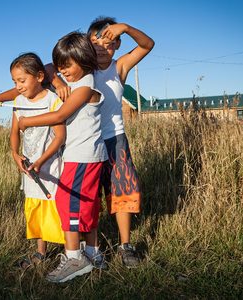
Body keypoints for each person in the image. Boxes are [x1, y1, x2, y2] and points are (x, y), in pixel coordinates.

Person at [18, 32, 108, 283]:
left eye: (67, 65)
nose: (62, 70)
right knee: (86, 204)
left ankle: (74, 258)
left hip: (82, 156)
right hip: (86, 155)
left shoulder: (86, 87)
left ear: (84, 59)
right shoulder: (77, 81)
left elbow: (59, 116)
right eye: (61, 66)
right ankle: (93, 254)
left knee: (67, 203)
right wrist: (57, 80)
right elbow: (47, 67)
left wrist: (27, 121)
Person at [86, 16, 154, 267]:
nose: (104, 48)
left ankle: (125, 246)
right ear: (87, 45)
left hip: (115, 139)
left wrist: (124, 26)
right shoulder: (82, 69)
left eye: (110, 42)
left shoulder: (120, 67)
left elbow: (148, 45)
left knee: (122, 190)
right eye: (97, 43)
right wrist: (59, 81)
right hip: (87, 141)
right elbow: (52, 67)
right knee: (90, 194)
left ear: (117, 44)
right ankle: (90, 247)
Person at [5, 52, 66, 269]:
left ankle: (69, 252)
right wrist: (15, 153)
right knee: (36, 208)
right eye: (14, 82)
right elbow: (14, 132)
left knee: (55, 209)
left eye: (22, 80)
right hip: (29, 167)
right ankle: (41, 253)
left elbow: (60, 137)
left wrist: (42, 160)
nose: (18, 86)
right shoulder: (18, 101)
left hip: (50, 166)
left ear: (40, 76)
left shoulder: (53, 100)